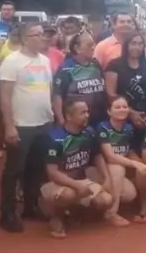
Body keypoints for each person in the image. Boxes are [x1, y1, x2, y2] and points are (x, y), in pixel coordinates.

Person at [0, 22, 54, 232]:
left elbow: (48, 90)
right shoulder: (12, 62)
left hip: (43, 123)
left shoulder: (45, 61)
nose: (42, 37)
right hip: (21, 125)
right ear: (24, 39)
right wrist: (9, 126)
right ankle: (7, 213)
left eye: (42, 34)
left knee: (36, 169)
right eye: (36, 34)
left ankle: (30, 207)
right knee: (14, 170)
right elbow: (4, 97)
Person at [40, 99, 113, 239]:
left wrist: (107, 178)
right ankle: (55, 216)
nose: (87, 115)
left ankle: (75, 211)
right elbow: (52, 173)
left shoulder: (89, 133)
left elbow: (97, 155)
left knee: (106, 200)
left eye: (87, 112)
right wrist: (76, 185)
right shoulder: (55, 138)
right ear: (69, 116)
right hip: (56, 183)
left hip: (81, 179)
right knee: (69, 195)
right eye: (82, 113)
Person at [96, 97, 146, 225]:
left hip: (116, 174)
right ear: (109, 111)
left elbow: (128, 150)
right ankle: (111, 213)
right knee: (118, 167)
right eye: (117, 107)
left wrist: (140, 163)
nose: (122, 110)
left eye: (124, 107)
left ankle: (104, 204)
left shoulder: (128, 128)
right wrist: (134, 163)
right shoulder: (103, 128)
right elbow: (110, 156)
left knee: (129, 194)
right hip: (99, 171)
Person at [104, 33, 146, 153]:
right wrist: (130, 112)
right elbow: (110, 94)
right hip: (123, 117)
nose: (137, 47)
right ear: (126, 45)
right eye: (133, 43)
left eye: (140, 44)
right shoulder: (114, 65)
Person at [53, 30, 107, 127]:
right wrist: (61, 119)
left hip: (98, 119)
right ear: (77, 48)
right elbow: (57, 95)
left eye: (94, 44)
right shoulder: (66, 68)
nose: (93, 47)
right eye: (89, 45)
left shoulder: (95, 64)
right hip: (76, 121)